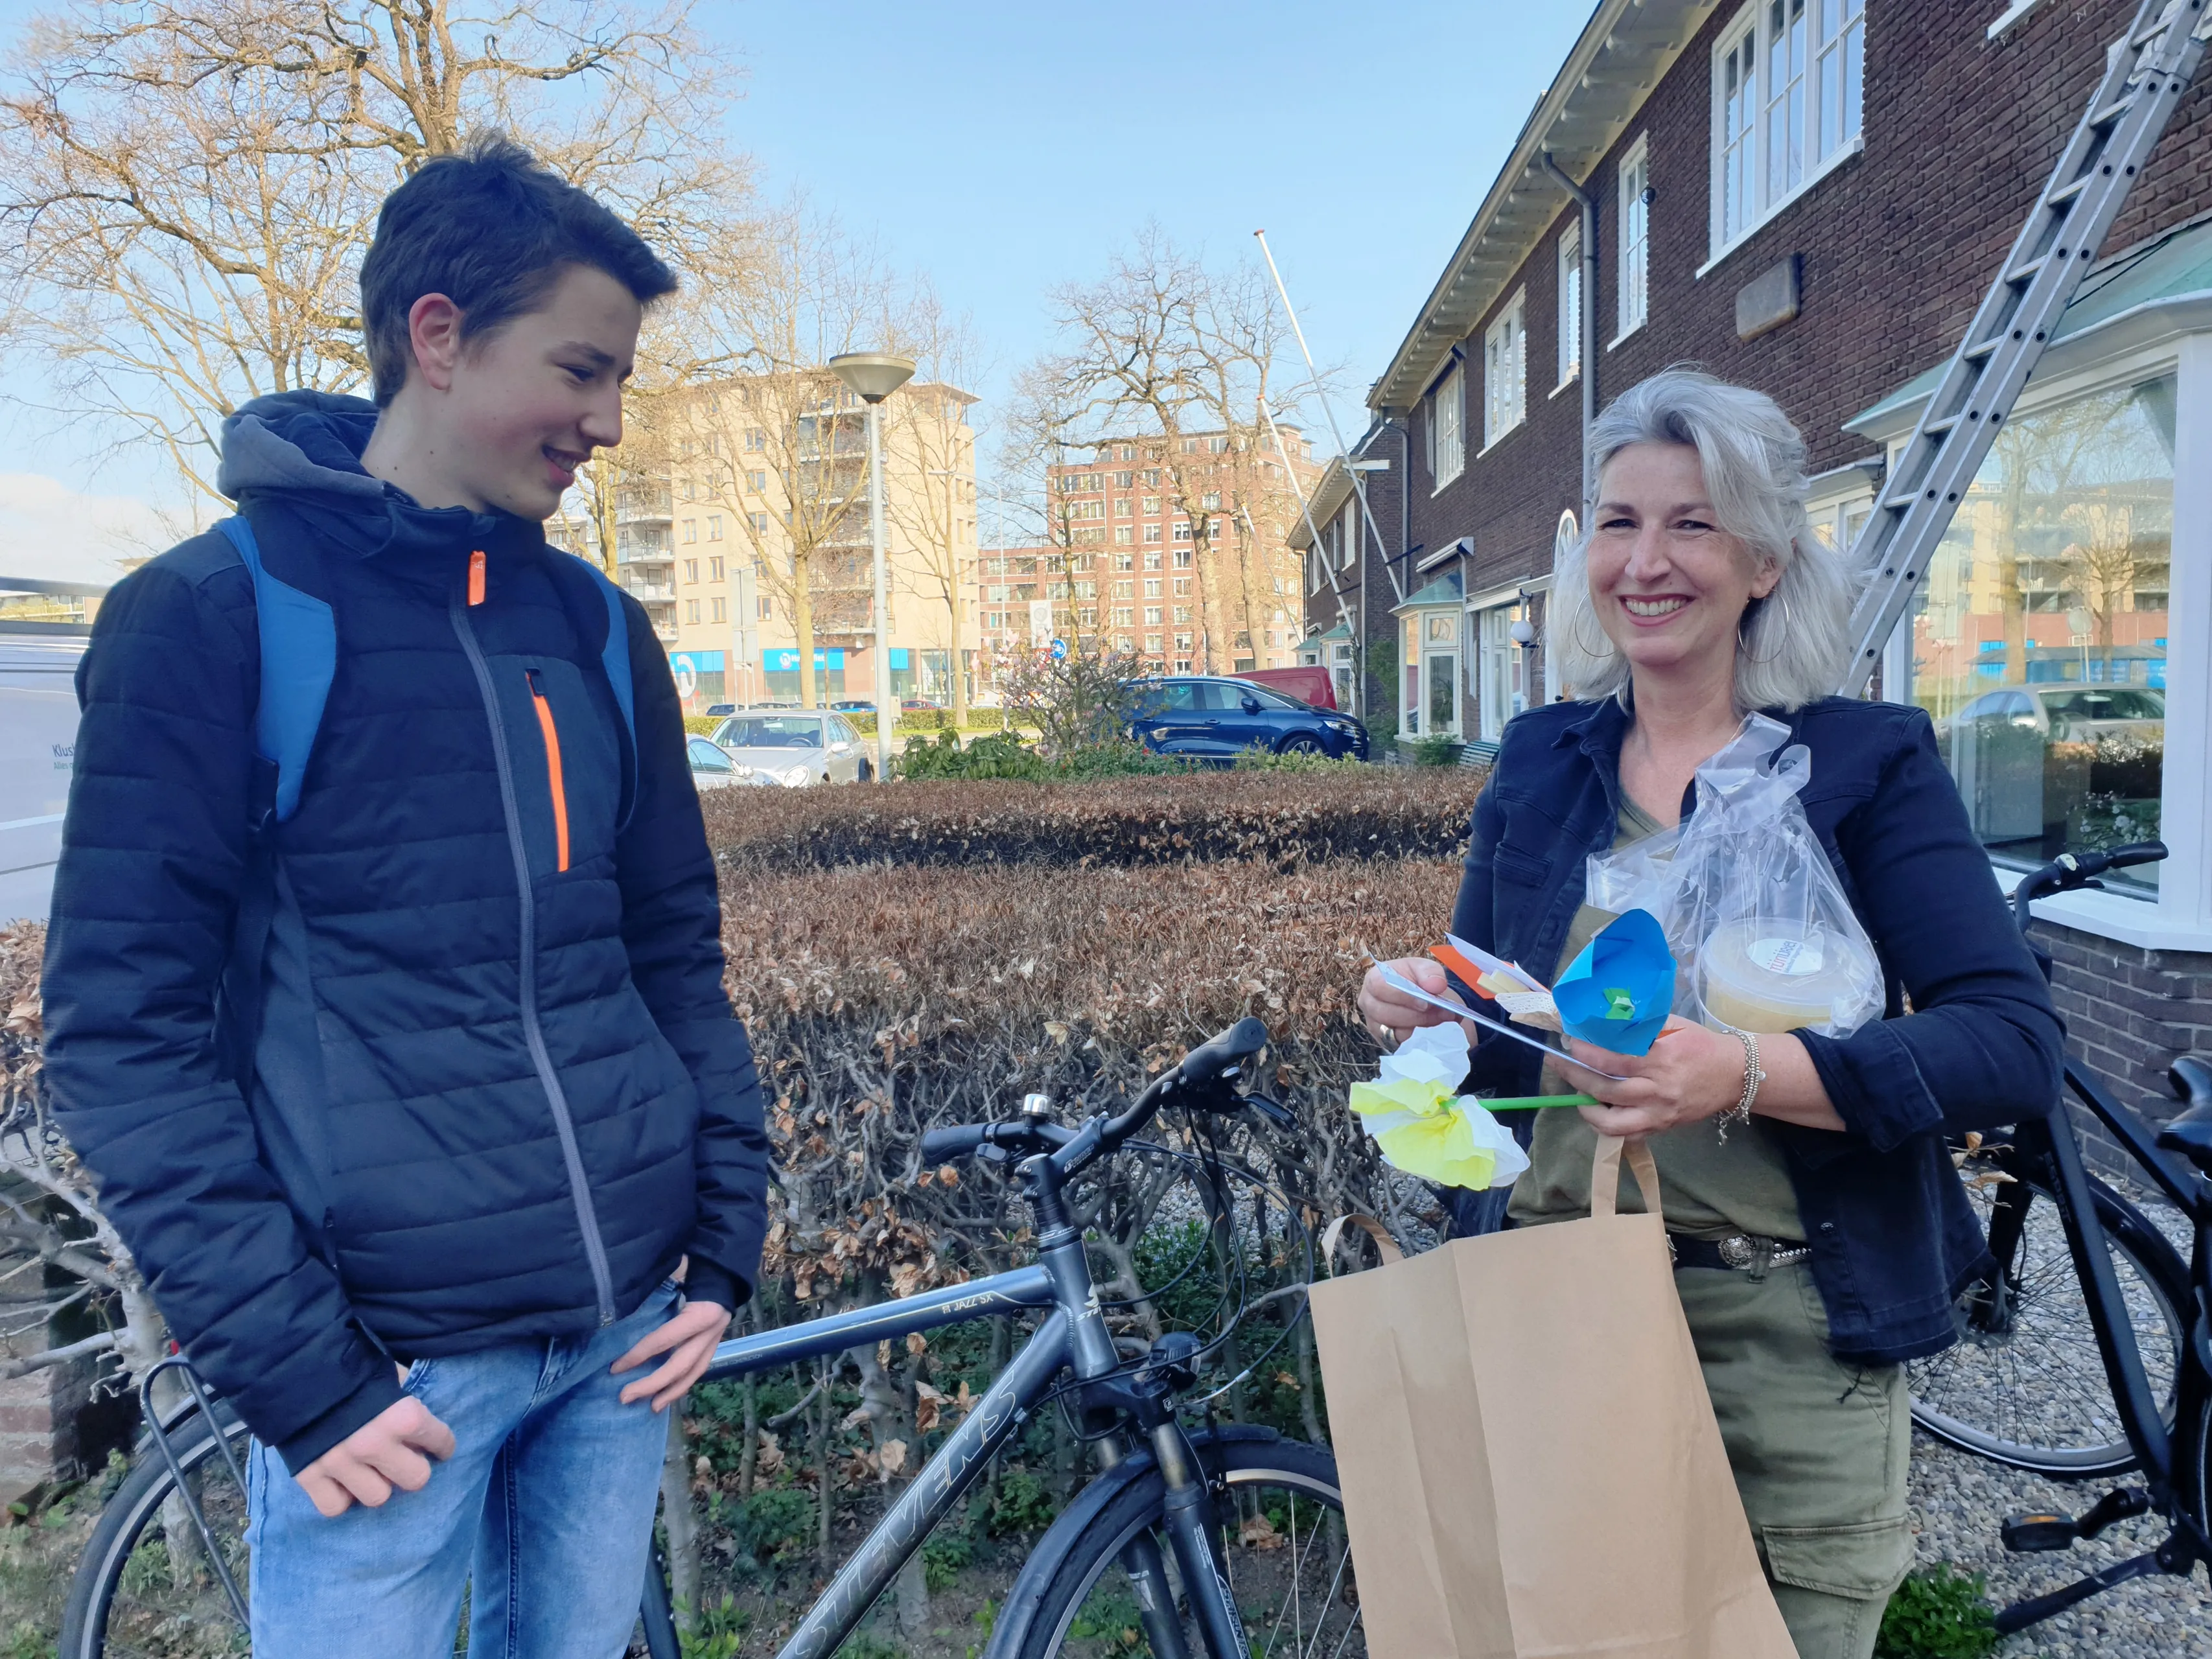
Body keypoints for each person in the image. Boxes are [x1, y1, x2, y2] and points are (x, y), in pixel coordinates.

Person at [40, 134, 769, 1654]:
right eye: (582, 369)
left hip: (622, 1343)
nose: (610, 423)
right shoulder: (210, 616)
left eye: (622, 379)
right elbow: (123, 1038)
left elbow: (670, 954)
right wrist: (299, 1377)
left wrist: (720, 1241)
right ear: (437, 336)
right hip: (384, 1378)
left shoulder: (595, 626)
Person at [1358, 369, 2062, 1659]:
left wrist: (1740, 1068)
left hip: (1779, 1348)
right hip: (1550, 1316)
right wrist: (1423, 1006)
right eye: (1617, 523)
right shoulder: (1540, 759)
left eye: (1690, 522)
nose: (1645, 560)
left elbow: (2009, 1044)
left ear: (1762, 555)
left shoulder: (1864, 763)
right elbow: (1489, 1010)